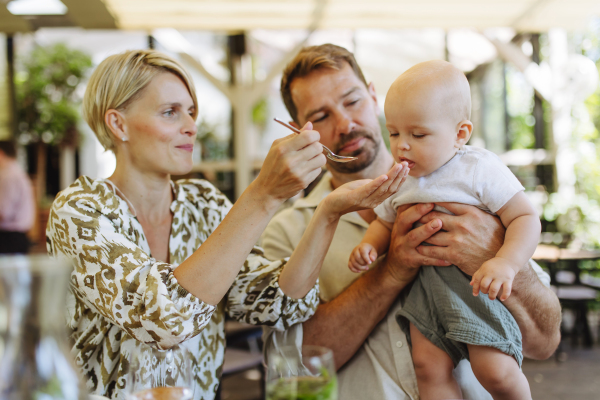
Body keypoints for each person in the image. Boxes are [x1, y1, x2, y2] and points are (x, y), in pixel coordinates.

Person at [45, 49, 406, 400]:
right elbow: (162, 321)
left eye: (191, 112)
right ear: (118, 123)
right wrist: (263, 194)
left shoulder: (203, 204)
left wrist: (327, 211)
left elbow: (280, 303)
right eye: (170, 112)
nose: (191, 126)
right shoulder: (80, 212)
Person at [261, 44, 562, 399]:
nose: (346, 123)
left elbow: (545, 342)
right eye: (322, 116)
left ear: (373, 96)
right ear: (301, 131)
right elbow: (292, 368)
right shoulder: (286, 233)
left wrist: (496, 256)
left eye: (352, 100)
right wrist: (389, 270)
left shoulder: (475, 183)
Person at [350, 60, 540, 399]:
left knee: (494, 370)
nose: (402, 146)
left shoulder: (477, 168)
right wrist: (369, 246)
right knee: (427, 367)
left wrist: (506, 263)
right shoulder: (400, 177)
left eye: (418, 134)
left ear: (460, 134)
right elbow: (384, 221)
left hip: (473, 286)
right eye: (393, 133)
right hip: (425, 290)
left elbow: (525, 218)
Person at [0, 140, 35, 254]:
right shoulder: (17, 173)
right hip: (16, 237)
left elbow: (4, 212)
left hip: (9, 238)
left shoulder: (8, 176)